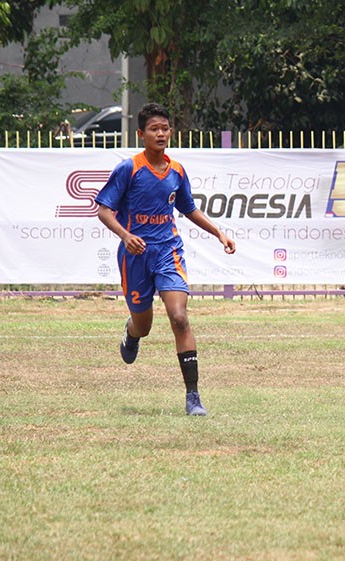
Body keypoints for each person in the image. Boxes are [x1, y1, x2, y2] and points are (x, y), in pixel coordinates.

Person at [95, 102, 235, 416]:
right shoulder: (128, 168)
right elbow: (104, 210)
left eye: (165, 128)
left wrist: (219, 233)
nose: (161, 134)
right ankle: (132, 333)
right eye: (154, 129)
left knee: (179, 317)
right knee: (144, 326)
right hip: (136, 257)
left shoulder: (177, 171)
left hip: (168, 252)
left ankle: (193, 397)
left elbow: (189, 208)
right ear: (141, 134)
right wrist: (126, 235)